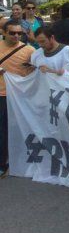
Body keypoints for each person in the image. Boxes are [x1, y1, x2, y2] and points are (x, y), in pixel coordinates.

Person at [0, 20, 34, 177]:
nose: (16, 36)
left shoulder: (29, 50)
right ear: (4, 33)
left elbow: (36, 72)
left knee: (5, 131)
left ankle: (3, 163)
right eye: (12, 33)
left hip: (13, 97)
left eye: (19, 33)